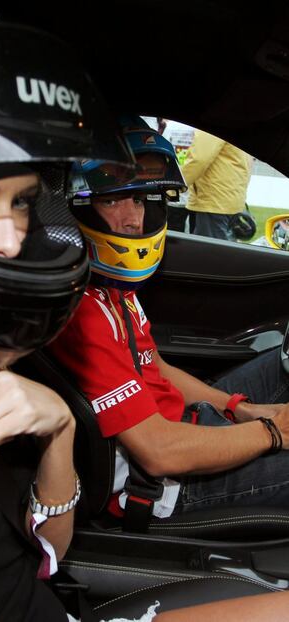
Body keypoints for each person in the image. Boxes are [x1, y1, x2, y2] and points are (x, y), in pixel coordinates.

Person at [0, 8, 289, 622]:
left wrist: (61, 432)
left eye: (20, 204)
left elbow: (42, 558)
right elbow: (154, 452)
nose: (10, 241)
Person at [49, 114, 289, 527]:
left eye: (140, 199)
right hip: (161, 483)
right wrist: (272, 431)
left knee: (277, 364)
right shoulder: (84, 313)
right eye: (112, 200)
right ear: (76, 206)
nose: (132, 219)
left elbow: (156, 368)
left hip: (181, 424)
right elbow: (158, 452)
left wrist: (240, 409)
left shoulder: (114, 290)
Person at [181, 129, 253, 240]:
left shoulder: (214, 122)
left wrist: (172, 187)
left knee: (208, 253)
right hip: (228, 199)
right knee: (221, 251)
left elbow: (198, 160)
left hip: (213, 201)